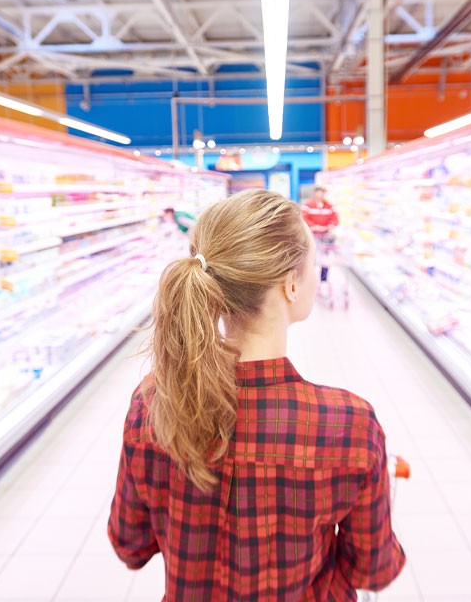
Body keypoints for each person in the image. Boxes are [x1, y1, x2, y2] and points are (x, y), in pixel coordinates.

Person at [108, 189, 405, 600]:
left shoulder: (154, 403)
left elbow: (131, 544)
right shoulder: (348, 424)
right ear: (291, 286)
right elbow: (372, 569)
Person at [301, 187, 339, 284]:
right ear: (315, 193)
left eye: (323, 192)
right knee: (311, 257)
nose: (321, 194)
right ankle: (309, 279)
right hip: (312, 236)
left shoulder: (329, 206)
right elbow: (303, 218)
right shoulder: (308, 205)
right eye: (319, 192)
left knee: (325, 260)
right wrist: (314, 226)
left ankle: (323, 280)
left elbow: (335, 219)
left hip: (325, 237)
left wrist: (331, 225)